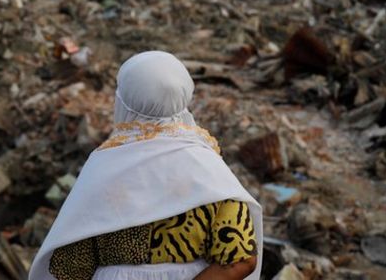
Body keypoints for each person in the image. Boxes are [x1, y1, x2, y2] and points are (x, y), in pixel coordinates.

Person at [29, 51, 262, 280]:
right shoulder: (208, 169)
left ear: (124, 100)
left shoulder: (104, 167)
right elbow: (241, 260)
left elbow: (70, 267)